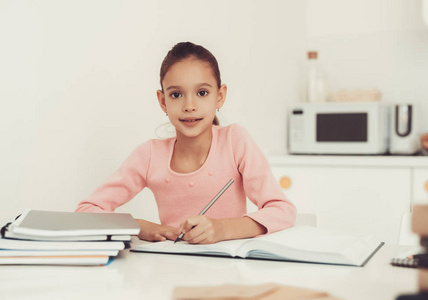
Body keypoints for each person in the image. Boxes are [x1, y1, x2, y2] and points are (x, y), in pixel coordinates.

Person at [76, 41, 296, 244]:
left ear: (219, 96)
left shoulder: (235, 141)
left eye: (202, 92)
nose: (189, 105)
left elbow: (282, 210)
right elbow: (86, 211)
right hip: (172, 267)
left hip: (231, 270)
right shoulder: (150, 155)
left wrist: (222, 229)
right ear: (163, 101)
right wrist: (139, 227)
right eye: (176, 95)